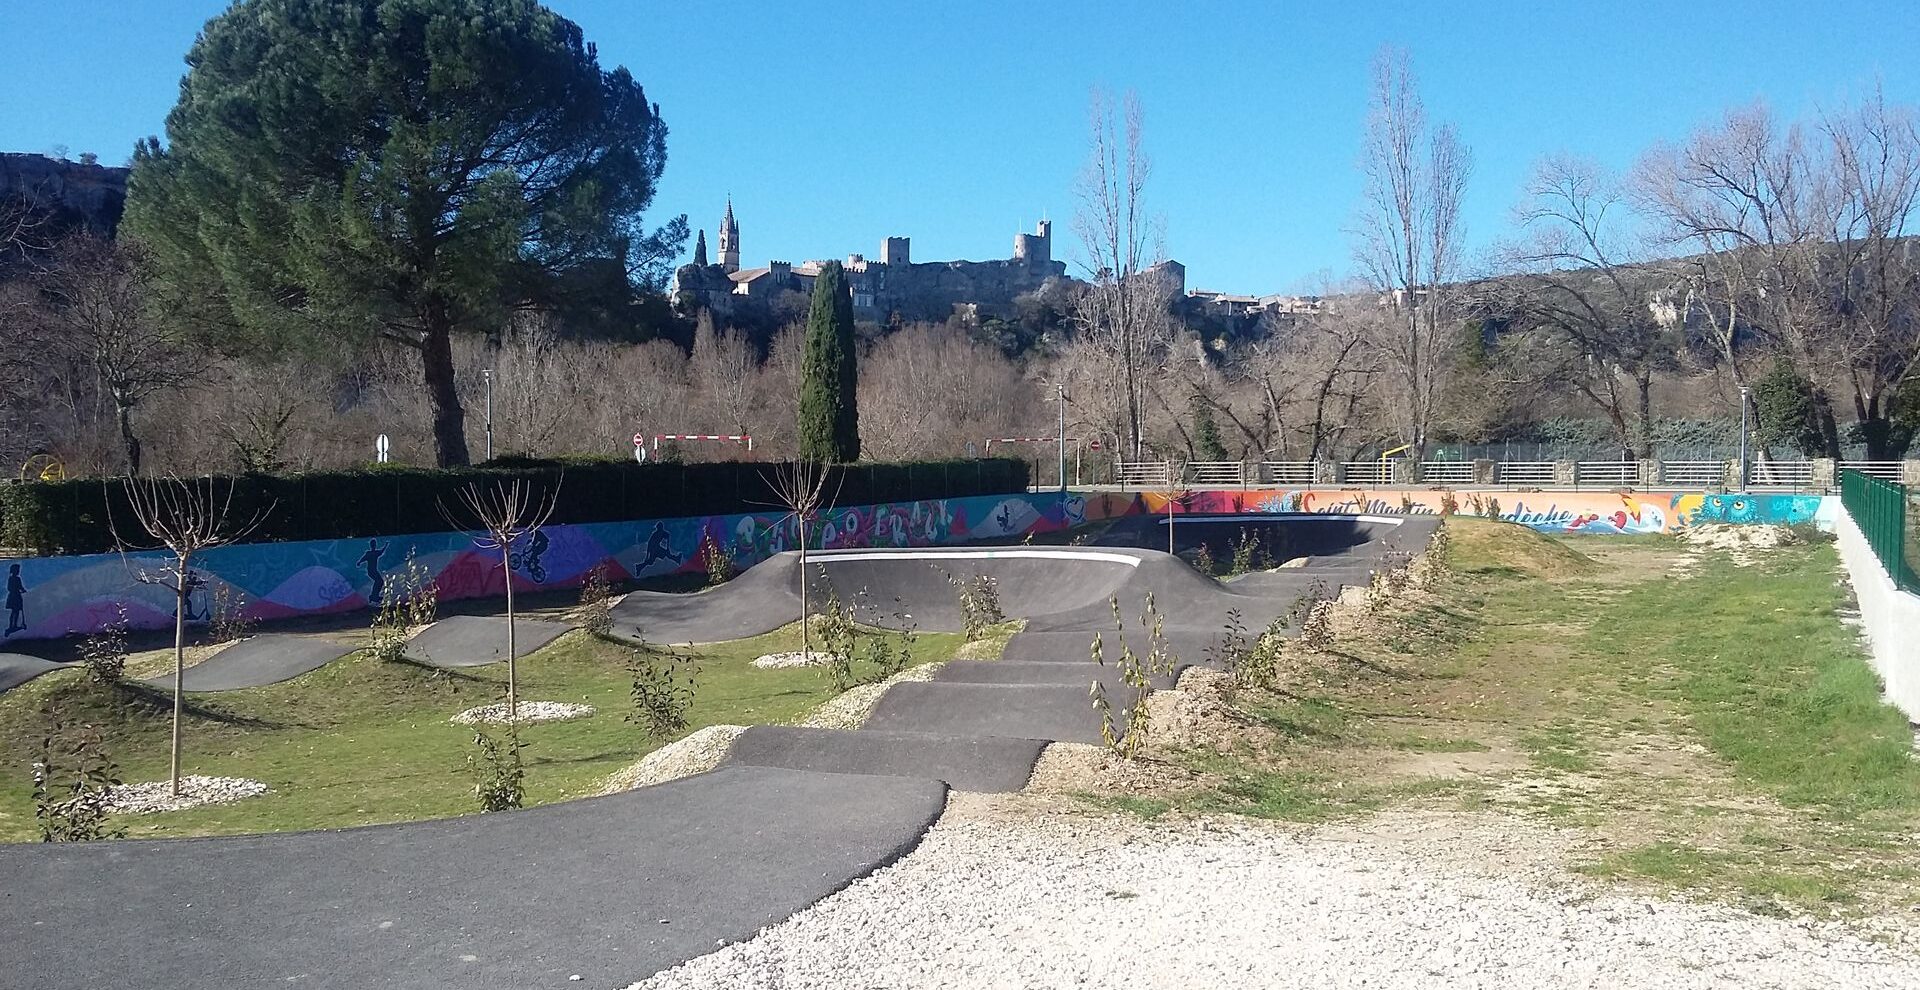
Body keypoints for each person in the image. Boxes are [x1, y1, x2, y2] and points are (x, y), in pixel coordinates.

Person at [357, 540, 387, 606]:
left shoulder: (375, 553)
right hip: (371, 571)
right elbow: (363, 558)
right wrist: (359, 562)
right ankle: (374, 596)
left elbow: (381, 551)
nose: (374, 546)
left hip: (373, 571)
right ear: (371, 545)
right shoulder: (370, 553)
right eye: (373, 545)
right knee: (379, 581)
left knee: (379, 581)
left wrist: (386, 545)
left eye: (374, 544)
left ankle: (374, 596)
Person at [4, 564, 25, 637]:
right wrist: (18, 590)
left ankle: (14, 625)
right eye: (17, 570)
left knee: (15, 611)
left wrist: (23, 590)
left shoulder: (17, 578)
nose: (18, 571)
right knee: (14, 611)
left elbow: (21, 587)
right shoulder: (13, 579)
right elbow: (9, 588)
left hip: (16, 596)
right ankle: (12, 626)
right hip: (14, 597)